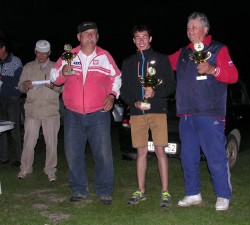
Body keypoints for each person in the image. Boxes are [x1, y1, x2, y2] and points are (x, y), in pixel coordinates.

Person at [168, 12, 238, 211]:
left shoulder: (218, 49)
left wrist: (212, 70)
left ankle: (223, 195)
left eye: (194, 27)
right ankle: (193, 194)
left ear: (205, 29)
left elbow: (233, 75)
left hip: (210, 114)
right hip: (186, 114)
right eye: (188, 28)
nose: (190, 31)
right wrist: (144, 55)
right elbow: (163, 64)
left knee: (216, 157)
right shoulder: (183, 53)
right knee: (188, 158)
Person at [50, 21, 121, 204]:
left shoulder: (105, 56)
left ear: (97, 37)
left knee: (103, 154)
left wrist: (112, 96)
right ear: (79, 37)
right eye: (86, 33)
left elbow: (117, 78)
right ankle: (79, 189)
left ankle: (104, 191)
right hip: (72, 114)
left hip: (98, 113)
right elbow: (53, 77)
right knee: (73, 154)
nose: (90, 36)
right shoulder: (68, 55)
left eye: (93, 33)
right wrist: (62, 74)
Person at [120, 24, 176, 207]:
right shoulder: (128, 63)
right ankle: (140, 191)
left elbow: (171, 86)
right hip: (137, 113)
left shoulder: (161, 59)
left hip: (157, 111)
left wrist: (156, 92)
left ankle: (165, 192)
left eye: (145, 37)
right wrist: (133, 102)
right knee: (141, 152)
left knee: (160, 151)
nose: (141, 40)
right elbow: (124, 90)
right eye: (138, 37)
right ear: (134, 40)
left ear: (150, 39)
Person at [17, 40, 62, 181]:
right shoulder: (28, 67)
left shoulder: (56, 67)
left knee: (51, 143)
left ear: (49, 53)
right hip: (32, 110)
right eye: (38, 53)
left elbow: (63, 88)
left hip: (51, 111)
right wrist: (25, 85)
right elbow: (20, 87)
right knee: (29, 142)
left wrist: (53, 86)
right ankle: (24, 169)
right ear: (35, 52)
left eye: (44, 53)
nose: (41, 56)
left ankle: (50, 170)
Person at [0, 37, 23, 166]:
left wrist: (2, 77)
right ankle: (3, 157)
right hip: (1, 99)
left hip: (12, 99)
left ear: (3, 48)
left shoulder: (15, 61)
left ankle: (18, 158)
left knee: (14, 128)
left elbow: (18, 82)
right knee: (1, 129)